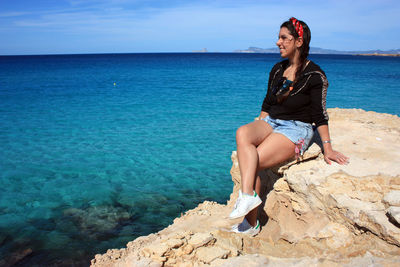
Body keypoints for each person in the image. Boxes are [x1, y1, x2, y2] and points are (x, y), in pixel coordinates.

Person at [229, 17, 349, 236]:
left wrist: (328, 148)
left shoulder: (315, 76)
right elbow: (267, 103)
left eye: (284, 38)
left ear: (299, 41)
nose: (278, 42)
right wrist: (260, 127)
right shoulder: (277, 69)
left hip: (296, 128)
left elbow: (319, 115)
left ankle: (251, 223)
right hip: (271, 121)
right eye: (278, 37)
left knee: (252, 160)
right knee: (242, 132)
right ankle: (247, 197)